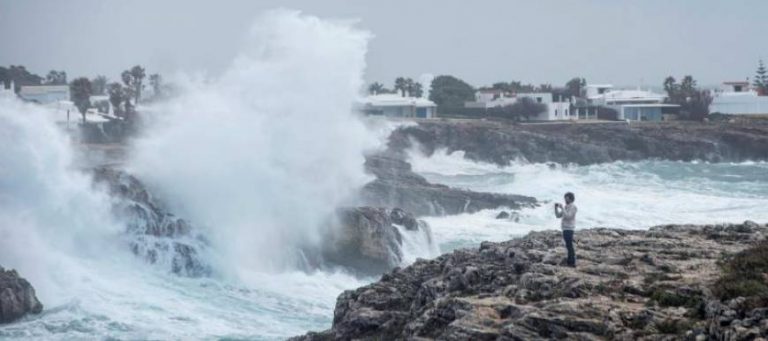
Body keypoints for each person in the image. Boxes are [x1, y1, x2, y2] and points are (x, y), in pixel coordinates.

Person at [554, 192, 577, 267]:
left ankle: (572, 262)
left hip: (569, 228)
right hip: (565, 228)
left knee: (569, 245)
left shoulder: (573, 207)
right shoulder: (566, 207)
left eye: (566, 198)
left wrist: (562, 208)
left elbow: (568, 216)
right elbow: (558, 216)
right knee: (568, 245)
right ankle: (570, 261)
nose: (565, 199)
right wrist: (556, 208)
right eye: (565, 198)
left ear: (570, 198)